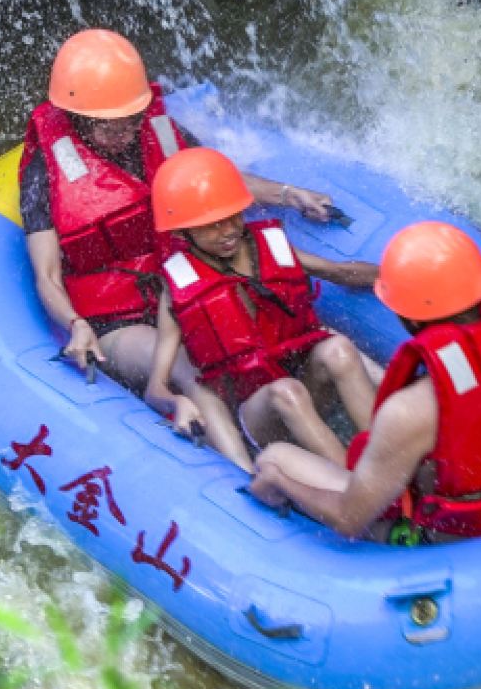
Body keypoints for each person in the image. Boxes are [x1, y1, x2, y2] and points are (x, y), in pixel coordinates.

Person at [249, 221, 481, 544]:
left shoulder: (413, 409)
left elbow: (349, 518)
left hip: (457, 541)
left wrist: (281, 482)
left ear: (407, 318)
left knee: (276, 457)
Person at [22, 28, 336, 397]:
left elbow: (218, 183)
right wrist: (75, 323)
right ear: (77, 117)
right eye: (110, 126)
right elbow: (47, 274)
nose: (125, 132)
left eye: (131, 119)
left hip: (183, 286)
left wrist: (287, 194)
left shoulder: (160, 131)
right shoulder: (45, 170)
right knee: (184, 369)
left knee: (280, 334)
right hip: (117, 318)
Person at [144, 147, 381, 468]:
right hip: (257, 414)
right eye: (212, 225)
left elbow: (339, 272)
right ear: (182, 230)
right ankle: (359, 489)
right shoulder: (176, 287)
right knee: (286, 392)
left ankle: (386, 465)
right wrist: (176, 401)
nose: (227, 231)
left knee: (337, 348)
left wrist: (397, 275)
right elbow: (155, 387)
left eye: (233, 217)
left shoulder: (269, 244)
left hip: (306, 389)